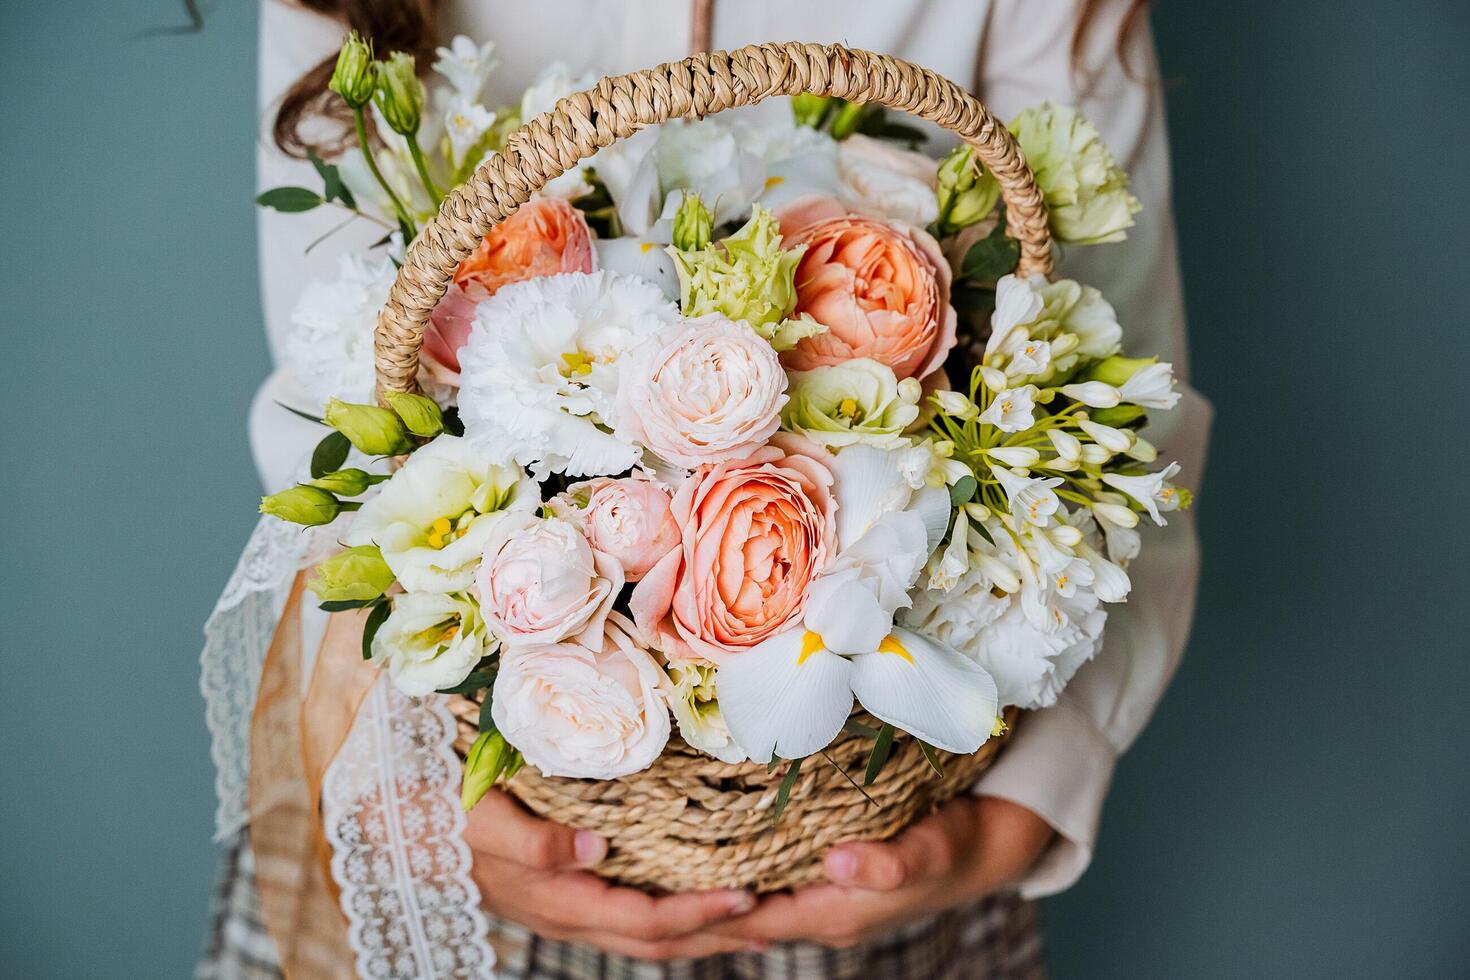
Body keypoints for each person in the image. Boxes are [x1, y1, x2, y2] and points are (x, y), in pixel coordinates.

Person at [202, 1, 1210, 976]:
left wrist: (1025, 806)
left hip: (865, 859)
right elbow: (331, 381)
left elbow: (1113, 389)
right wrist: (405, 788)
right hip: (457, 816)